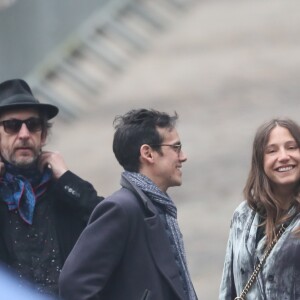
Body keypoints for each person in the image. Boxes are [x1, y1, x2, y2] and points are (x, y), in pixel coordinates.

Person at [59, 108, 198, 300]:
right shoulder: (121, 208)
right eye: (176, 148)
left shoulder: (156, 206)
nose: (183, 156)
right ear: (148, 153)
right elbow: (74, 284)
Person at [0, 79, 103, 297]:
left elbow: (112, 224)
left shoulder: (62, 189)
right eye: (12, 126)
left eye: (33, 125)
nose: (25, 134)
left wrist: (67, 179)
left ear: (43, 135)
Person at [219, 118, 300, 300]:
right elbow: (228, 286)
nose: (283, 156)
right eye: (272, 151)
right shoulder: (243, 214)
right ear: (260, 161)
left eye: (292, 147)